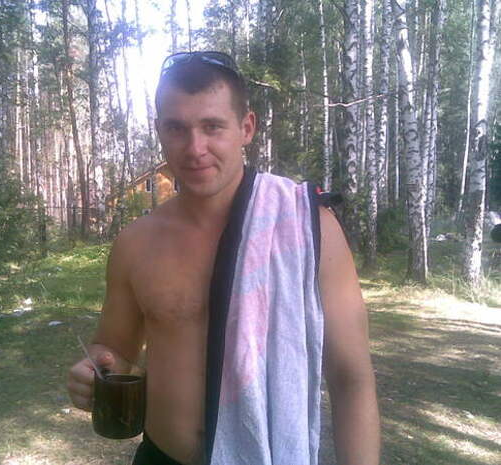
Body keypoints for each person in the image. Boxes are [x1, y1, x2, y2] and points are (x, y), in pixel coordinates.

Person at [67, 51, 380, 465]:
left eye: (212, 126)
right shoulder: (136, 243)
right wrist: (96, 369)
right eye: (176, 128)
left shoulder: (308, 227)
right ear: (159, 131)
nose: (195, 148)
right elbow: (114, 350)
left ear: (246, 128)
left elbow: (350, 377)